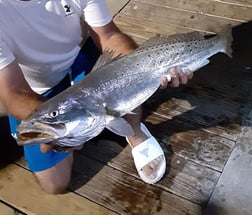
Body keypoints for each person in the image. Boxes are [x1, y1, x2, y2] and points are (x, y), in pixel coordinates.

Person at [0, 0, 193, 194]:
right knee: (54, 184)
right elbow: (13, 91)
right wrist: (53, 124)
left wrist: (140, 69)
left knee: (123, 87)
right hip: (35, 89)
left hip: (81, 55)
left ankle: (134, 131)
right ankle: (86, 125)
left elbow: (108, 35)